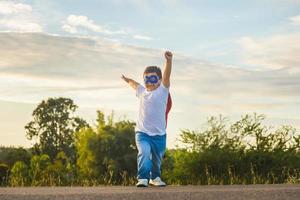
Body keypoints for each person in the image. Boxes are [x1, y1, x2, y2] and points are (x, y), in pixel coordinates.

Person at [121, 51, 173, 187]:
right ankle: (142, 178)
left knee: (157, 159)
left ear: (160, 81)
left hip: (159, 134)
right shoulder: (142, 92)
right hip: (142, 133)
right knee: (144, 152)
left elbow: (167, 76)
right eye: (146, 79)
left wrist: (168, 61)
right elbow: (134, 84)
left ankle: (155, 178)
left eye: (153, 79)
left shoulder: (162, 91)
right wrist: (128, 80)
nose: (149, 82)